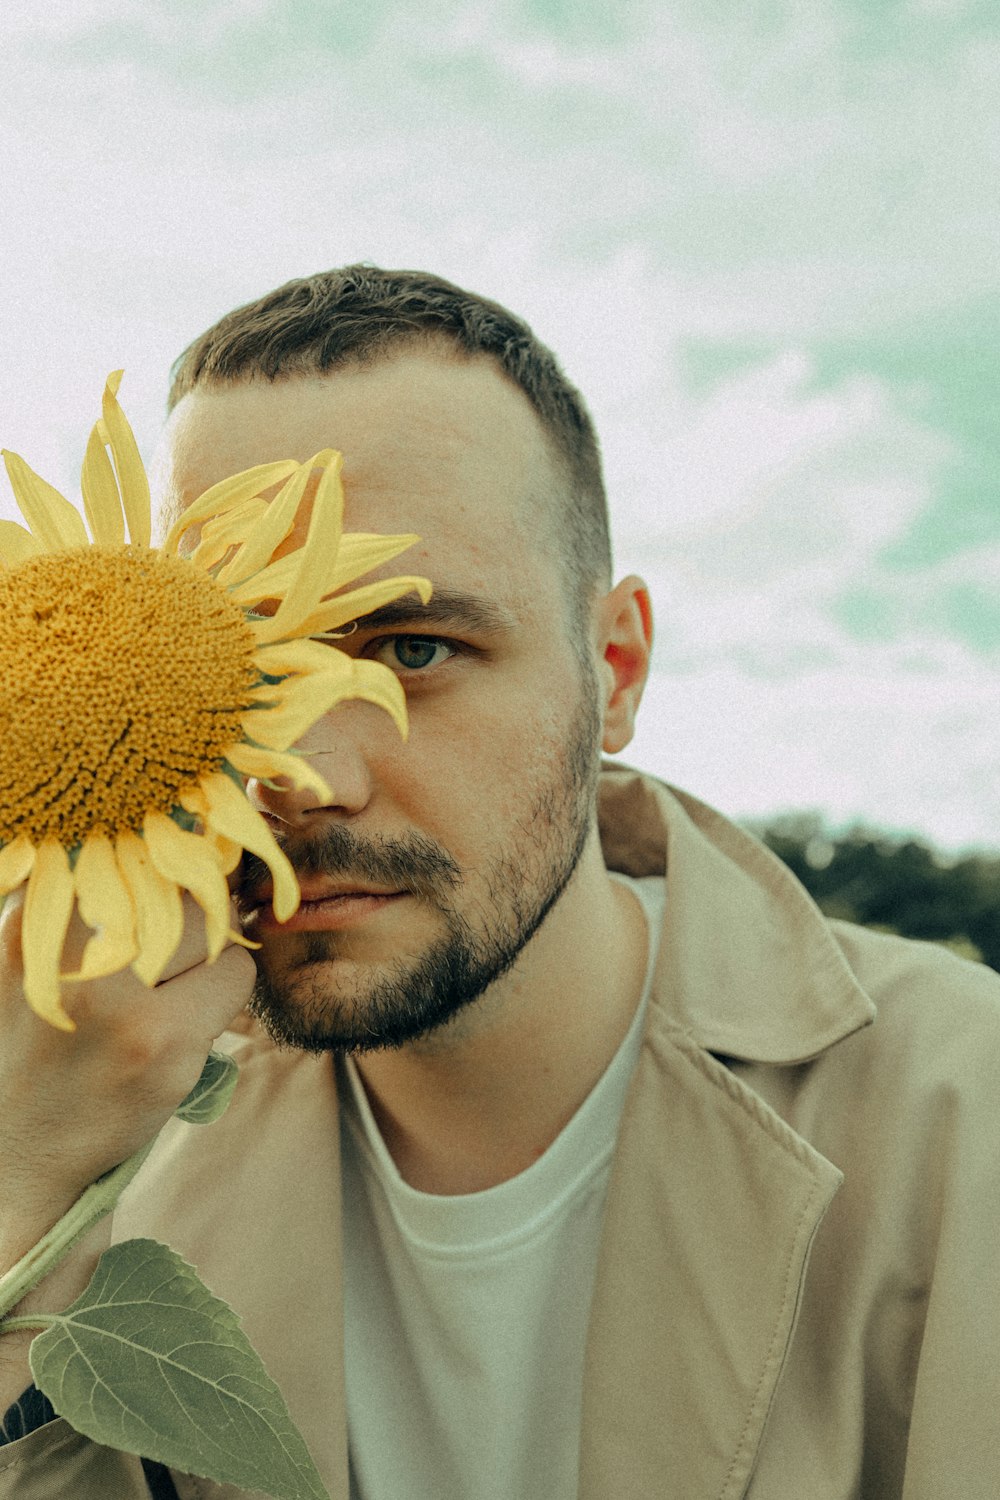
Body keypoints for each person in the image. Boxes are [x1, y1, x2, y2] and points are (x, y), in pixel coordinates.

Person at [0, 267, 998, 1500]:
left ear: (616, 670)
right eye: (246, 665)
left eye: (413, 650)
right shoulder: (104, 1130)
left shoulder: (963, 1116)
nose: (302, 772)